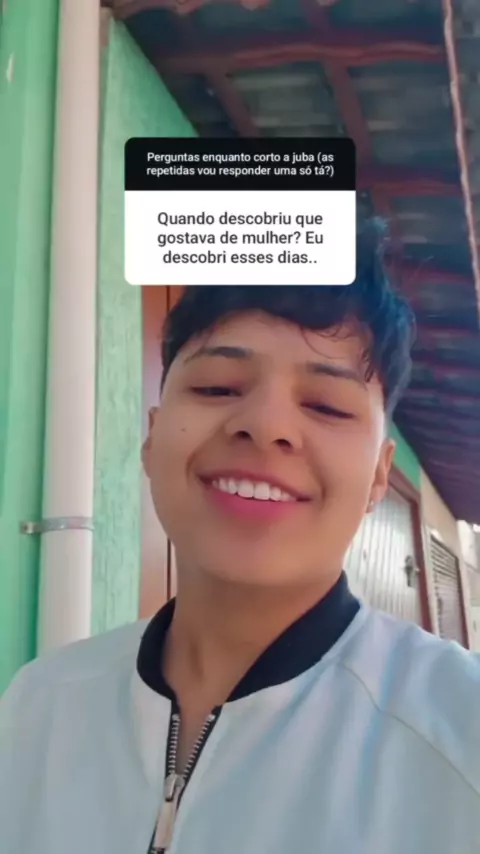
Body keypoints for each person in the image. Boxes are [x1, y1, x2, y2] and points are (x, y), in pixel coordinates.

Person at [1, 232, 480, 854]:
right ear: (152, 437)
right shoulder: (38, 704)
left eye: (326, 405)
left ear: (379, 477)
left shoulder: (460, 728)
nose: (266, 425)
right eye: (218, 388)